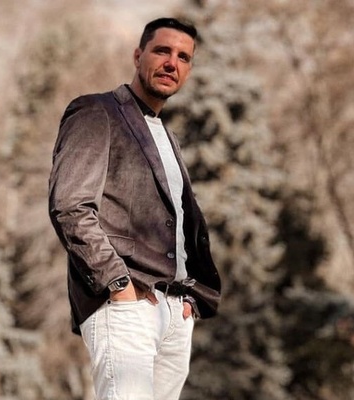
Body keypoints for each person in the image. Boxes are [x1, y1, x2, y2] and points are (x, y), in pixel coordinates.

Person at [48, 17, 221, 400]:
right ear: (138, 55)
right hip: (127, 305)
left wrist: (189, 299)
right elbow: (71, 206)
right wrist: (117, 283)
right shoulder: (97, 112)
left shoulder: (167, 136)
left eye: (183, 57)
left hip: (175, 313)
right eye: (162, 51)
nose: (172, 63)